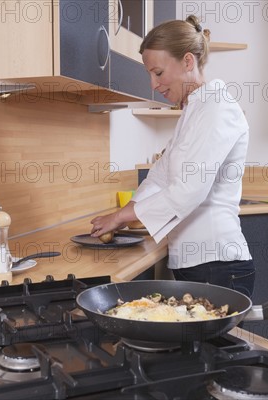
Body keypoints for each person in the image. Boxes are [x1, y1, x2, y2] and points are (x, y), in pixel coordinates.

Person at [90, 15, 255, 298]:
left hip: (217, 265)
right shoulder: (192, 110)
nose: (153, 85)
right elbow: (161, 174)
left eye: (158, 73)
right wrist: (123, 215)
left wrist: (123, 215)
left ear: (188, 62)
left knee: (206, 344)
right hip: (198, 264)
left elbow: (188, 190)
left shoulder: (217, 107)